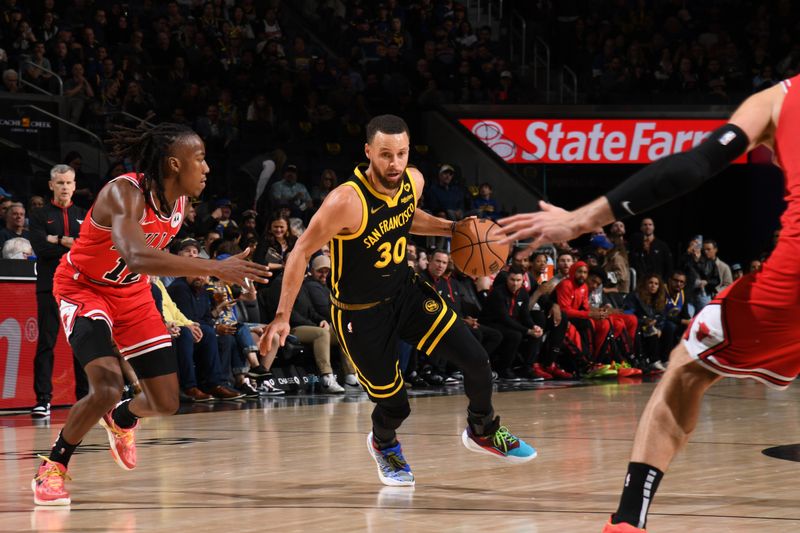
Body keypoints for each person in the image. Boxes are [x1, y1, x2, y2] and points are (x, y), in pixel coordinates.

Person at [497, 78, 794, 532]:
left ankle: (627, 522)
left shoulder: (781, 96)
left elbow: (692, 166)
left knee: (686, 368)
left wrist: (579, 220)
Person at [260, 114, 535, 487]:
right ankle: (384, 443)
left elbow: (407, 216)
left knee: (477, 361)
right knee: (395, 404)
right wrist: (281, 316)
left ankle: (482, 429)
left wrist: (451, 228)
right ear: (369, 152)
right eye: (386, 155)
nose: (395, 163)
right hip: (361, 315)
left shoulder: (413, 181)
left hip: (404, 292)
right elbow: (300, 252)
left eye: (401, 154)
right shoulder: (346, 200)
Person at [32, 123, 270, 506]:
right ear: (174, 164)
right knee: (106, 387)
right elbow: (137, 256)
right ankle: (54, 464)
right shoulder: (124, 193)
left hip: (133, 293)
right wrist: (213, 267)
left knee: (165, 401)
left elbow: (148, 264)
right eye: (200, 159)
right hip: (84, 287)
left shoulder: (180, 203)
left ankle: (123, 418)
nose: (207, 168)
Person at [27, 164, 89, 417]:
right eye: (60, 183)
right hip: (49, 287)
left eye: (69, 183)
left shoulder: (84, 215)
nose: (65, 187)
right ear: (51, 185)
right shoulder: (40, 215)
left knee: (82, 345)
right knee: (46, 343)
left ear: (75, 186)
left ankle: (85, 398)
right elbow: (41, 249)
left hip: (78, 289)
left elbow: (87, 251)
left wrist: (58, 239)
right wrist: (70, 244)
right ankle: (43, 399)